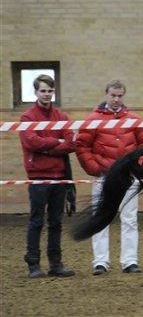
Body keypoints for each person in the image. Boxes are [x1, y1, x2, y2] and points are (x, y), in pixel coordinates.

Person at [76, 80, 143, 275]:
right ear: (106, 94)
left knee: (130, 219)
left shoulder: (134, 119)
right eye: (113, 95)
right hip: (103, 177)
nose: (116, 99)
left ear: (123, 96)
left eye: (120, 96)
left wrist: (137, 169)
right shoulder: (93, 119)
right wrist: (95, 168)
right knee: (101, 218)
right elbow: (82, 147)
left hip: (129, 177)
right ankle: (100, 262)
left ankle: (130, 261)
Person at [19, 74, 76, 278]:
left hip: (59, 176)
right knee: (36, 221)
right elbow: (31, 142)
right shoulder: (27, 117)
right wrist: (57, 143)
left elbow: (71, 143)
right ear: (35, 92)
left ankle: (55, 264)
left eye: (50, 91)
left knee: (56, 222)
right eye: (43, 90)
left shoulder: (62, 117)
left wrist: (48, 146)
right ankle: (33, 264)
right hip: (38, 178)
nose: (47, 94)